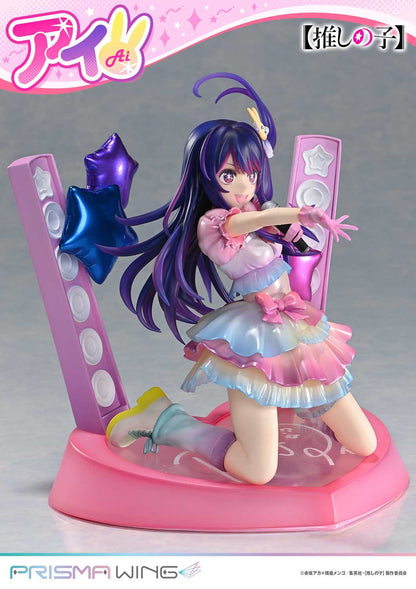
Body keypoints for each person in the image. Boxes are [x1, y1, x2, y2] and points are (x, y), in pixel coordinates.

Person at [106, 73, 377, 485]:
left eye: (250, 172)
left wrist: (294, 223)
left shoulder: (258, 210)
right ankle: (165, 420)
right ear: (208, 177)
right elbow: (252, 221)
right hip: (252, 339)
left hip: (293, 324)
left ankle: (305, 408)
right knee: (257, 470)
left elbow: (270, 221)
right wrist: (300, 213)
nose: (243, 184)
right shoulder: (216, 224)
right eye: (229, 174)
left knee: (364, 443)